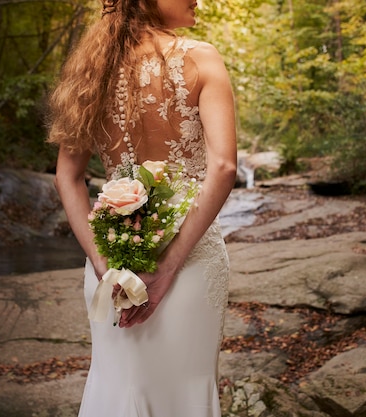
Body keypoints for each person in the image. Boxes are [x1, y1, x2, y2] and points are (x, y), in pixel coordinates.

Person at [47, 0, 237, 415]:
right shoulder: (201, 57)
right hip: (191, 262)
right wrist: (166, 268)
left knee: (118, 387)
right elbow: (222, 166)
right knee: (185, 394)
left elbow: (67, 175)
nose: (197, 1)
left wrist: (104, 266)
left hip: (114, 262)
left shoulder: (91, 70)